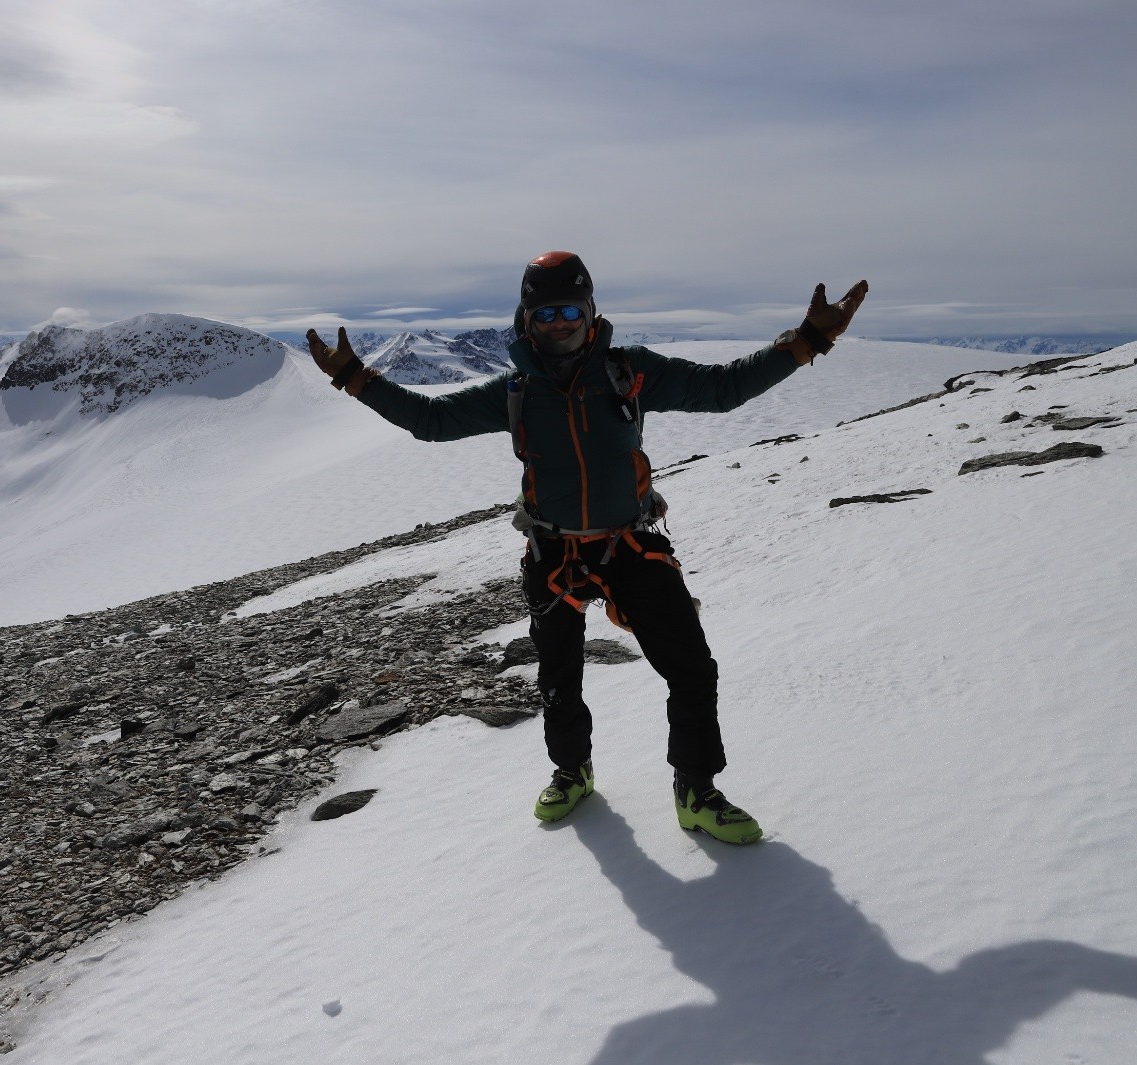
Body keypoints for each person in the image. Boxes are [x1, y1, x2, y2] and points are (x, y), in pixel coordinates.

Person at [306, 252, 868, 842]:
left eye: (569, 308)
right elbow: (433, 421)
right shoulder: (516, 390)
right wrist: (353, 377)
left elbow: (723, 389)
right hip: (552, 552)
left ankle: (696, 789)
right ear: (526, 318)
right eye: (543, 310)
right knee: (558, 675)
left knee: (692, 669)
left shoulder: (631, 371)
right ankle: (572, 770)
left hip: (631, 545)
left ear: (590, 309)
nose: (558, 322)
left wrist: (807, 341)